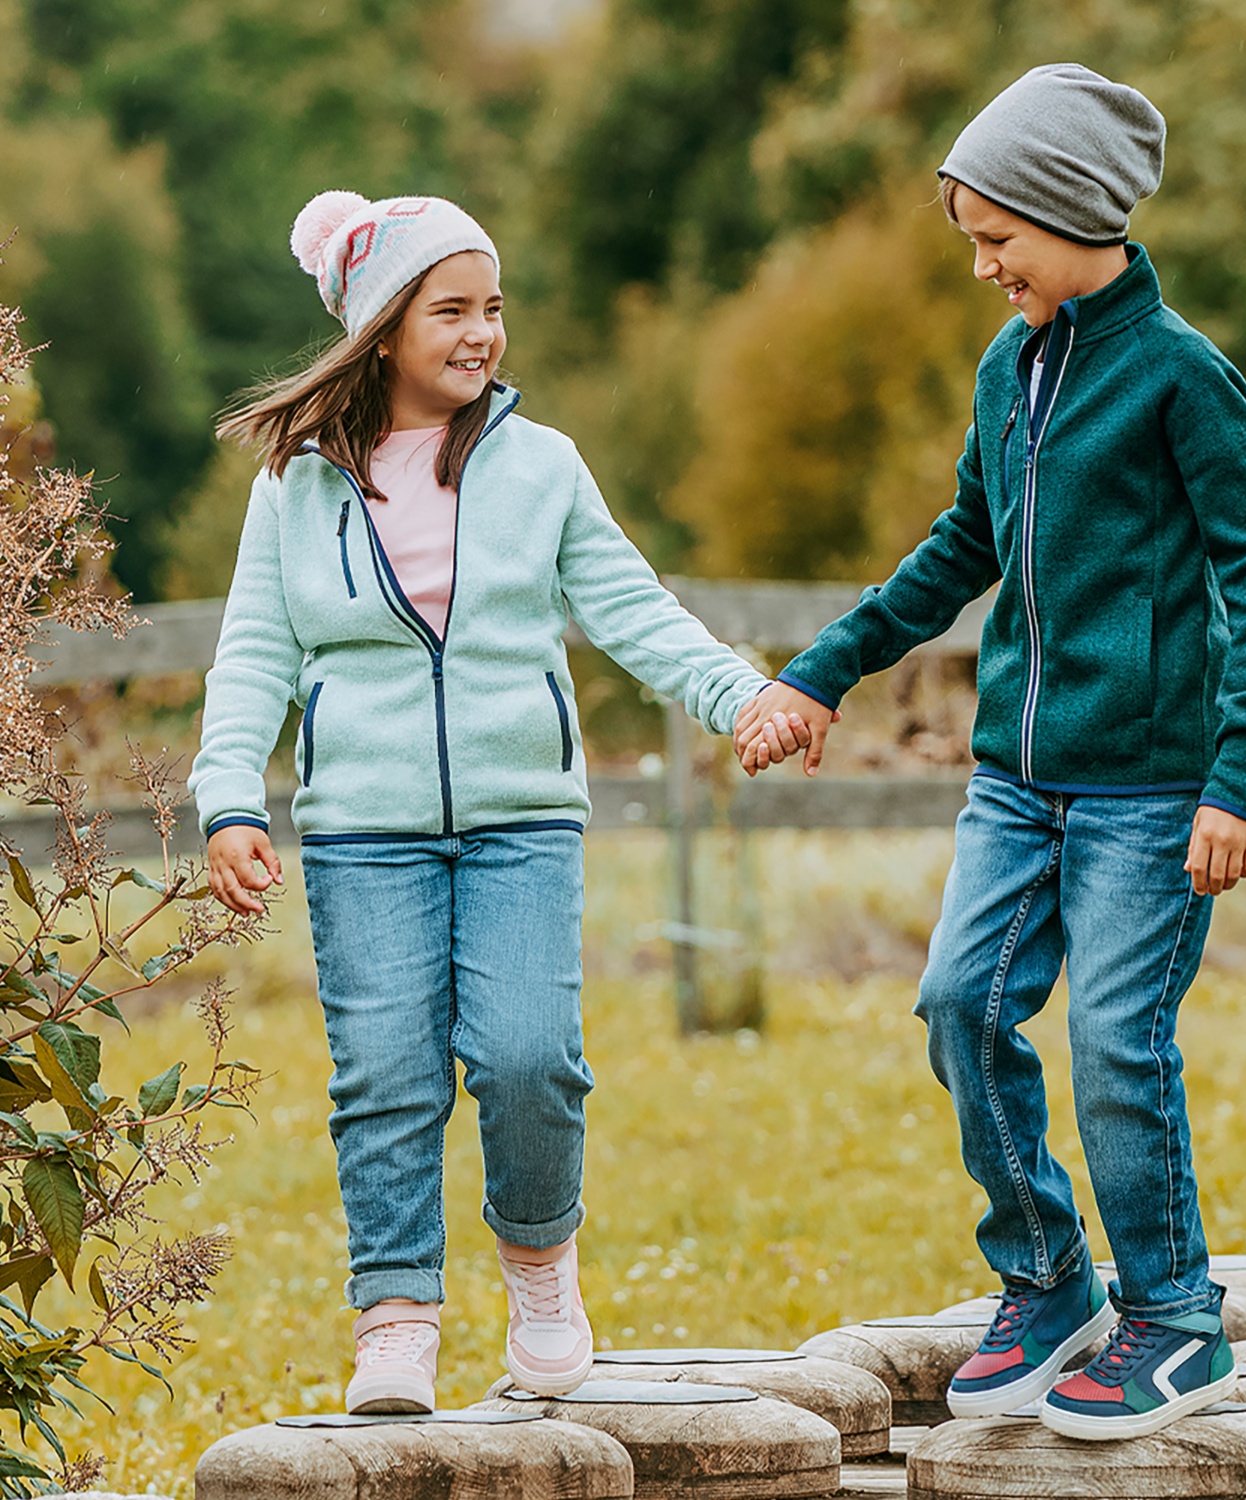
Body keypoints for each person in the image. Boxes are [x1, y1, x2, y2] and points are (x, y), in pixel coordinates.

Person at [736, 64, 1246, 1439]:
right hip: (1015, 783)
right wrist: (824, 670)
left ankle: (1175, 1319)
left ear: (1075, 212)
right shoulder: (1009, 368)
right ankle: (1048, 1281)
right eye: (973, 240)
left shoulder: (1183, 379)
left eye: (1000, 238)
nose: (984, 264)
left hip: (1153, 792)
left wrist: (1238, 779)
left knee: (1115, 1041)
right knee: (958, 1007)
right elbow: (962, 548)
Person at [190, 190, 768, 1414]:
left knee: (528, 1060)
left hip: (519, 822)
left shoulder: (542, 466)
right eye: (451, 308)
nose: (482, 331)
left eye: (493, 306)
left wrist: (739, 696)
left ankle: (541, 1272)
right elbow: (255, 652)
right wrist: (228, 793)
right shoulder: (296, 486)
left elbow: (633, 608)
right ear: (384, 326)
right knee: (388, 1074)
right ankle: (396, 1317)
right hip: (362, 832)